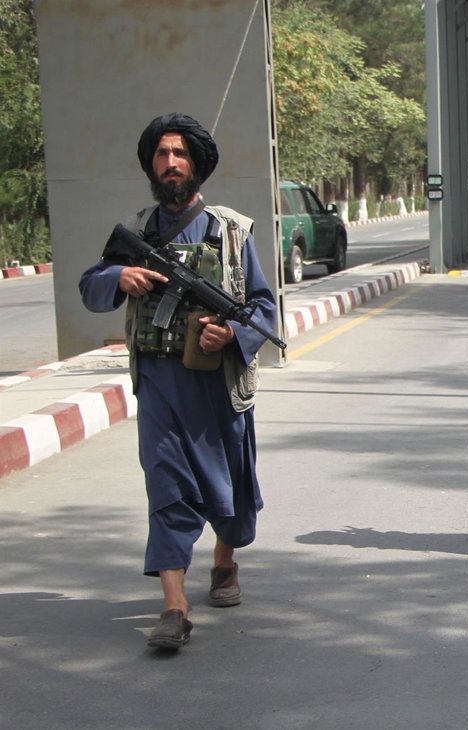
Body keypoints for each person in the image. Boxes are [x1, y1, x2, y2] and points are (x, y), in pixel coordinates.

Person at [79, 113, 277, 650]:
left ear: (196, 166)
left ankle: (224, 562)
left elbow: (263, 308)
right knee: (166, 485)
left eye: (180, 154)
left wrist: (230, 334)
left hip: (218, 384)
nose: (170, 163)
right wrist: (118, 275)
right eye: (162, 154)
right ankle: (174, 606)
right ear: (151, 165)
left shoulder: (231, 232)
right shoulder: (138, 230)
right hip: (160, 385)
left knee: (230, 482)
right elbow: (91, 285)